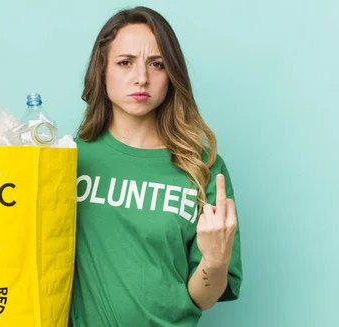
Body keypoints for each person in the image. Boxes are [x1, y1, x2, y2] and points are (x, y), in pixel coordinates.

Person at [69, 6, 243, 327]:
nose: (141, 78)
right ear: (102, 71)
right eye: (125, 63)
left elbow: (203, 299)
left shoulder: (203, 168)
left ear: (172, 76)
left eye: (157, 65)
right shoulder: (68, 158)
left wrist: (216, 261)